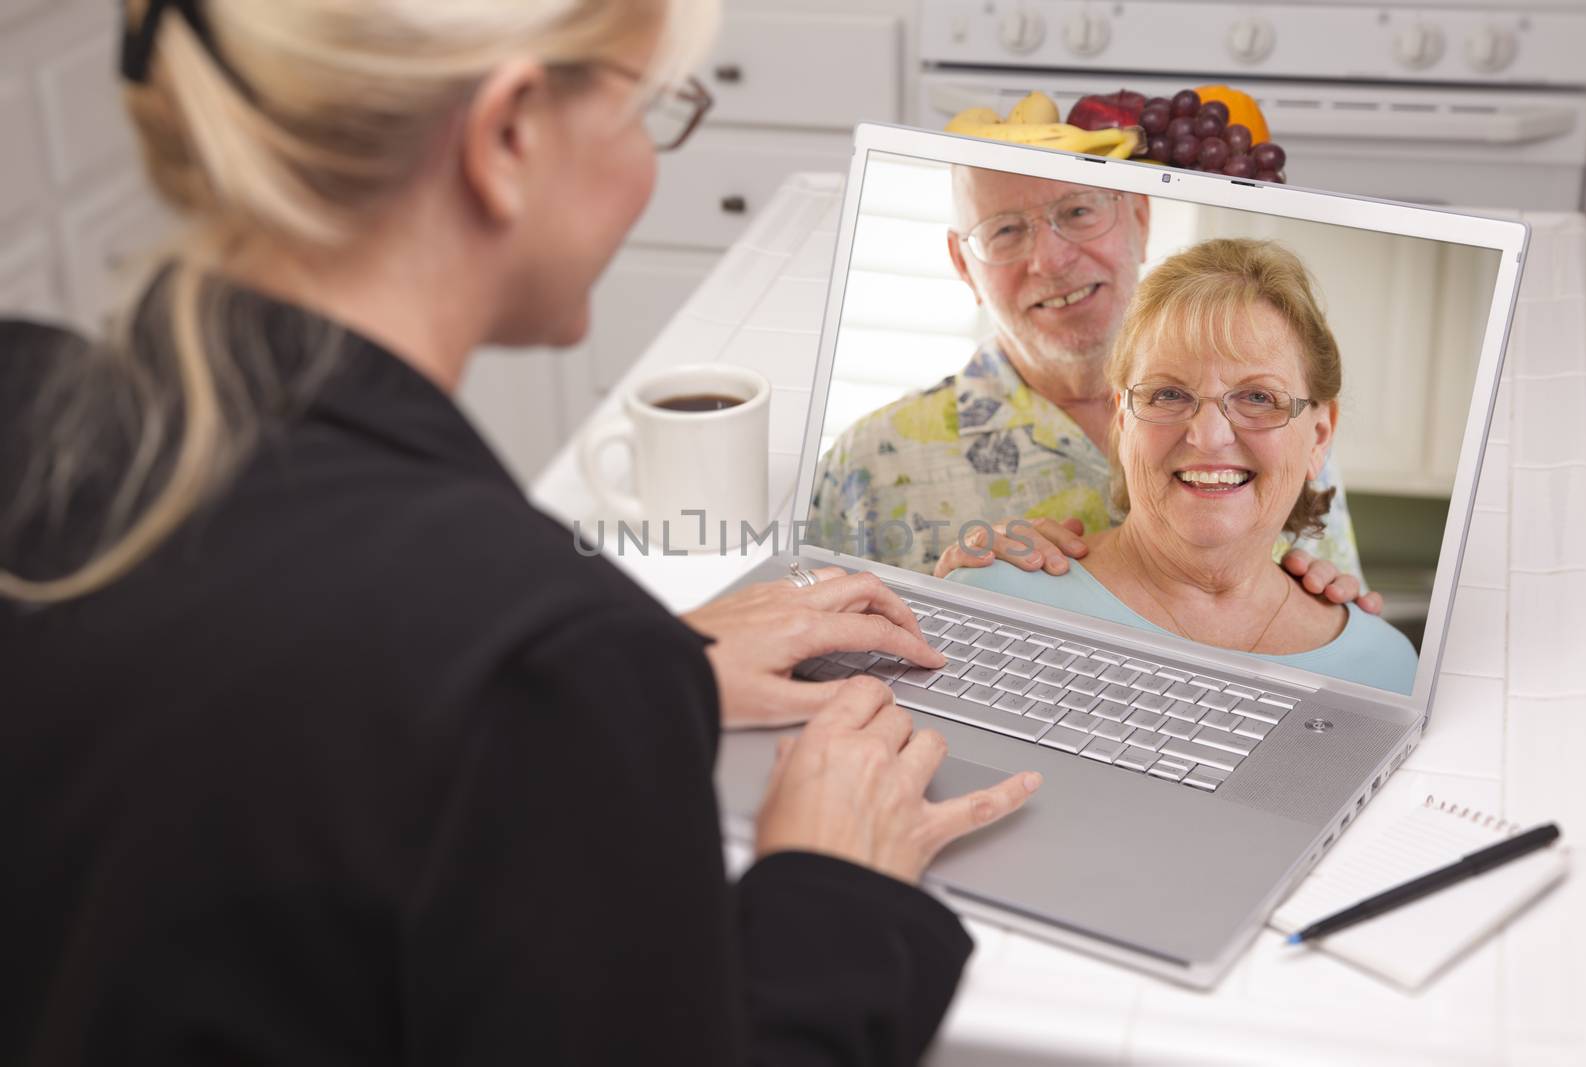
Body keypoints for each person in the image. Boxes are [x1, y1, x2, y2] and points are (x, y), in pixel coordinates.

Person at [0, 2, 1041, 1063]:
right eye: (647, 111)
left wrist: (645, 672)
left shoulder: (23, 397)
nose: (646, 163)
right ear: (506, 136)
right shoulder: (538, 655)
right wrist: (836, 886)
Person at [808, 165, 1380, 614]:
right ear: (963, 264)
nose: (1051, 261)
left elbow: (1324, 596)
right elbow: (817, 674)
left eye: (1078, 211)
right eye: (1005, 230)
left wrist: (1332, 613)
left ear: (1140, 217)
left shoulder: (1279, 423)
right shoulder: (866, 465)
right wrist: (949, 613)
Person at [948, 239, 1418, 692]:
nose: (1209, 436)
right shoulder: (993, 601)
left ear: (1318, 436)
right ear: (1121, 418)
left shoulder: (1386, 668)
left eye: (1258, 397)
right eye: (1168, 394)